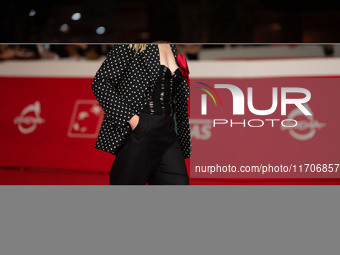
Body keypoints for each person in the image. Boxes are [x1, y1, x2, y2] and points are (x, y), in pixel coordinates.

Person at [91, 42, 192, 185]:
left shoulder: (171, 46)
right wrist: (133, 121)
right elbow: (100, 82)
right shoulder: (131, 45)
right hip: (141, 131)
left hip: (168, 132)